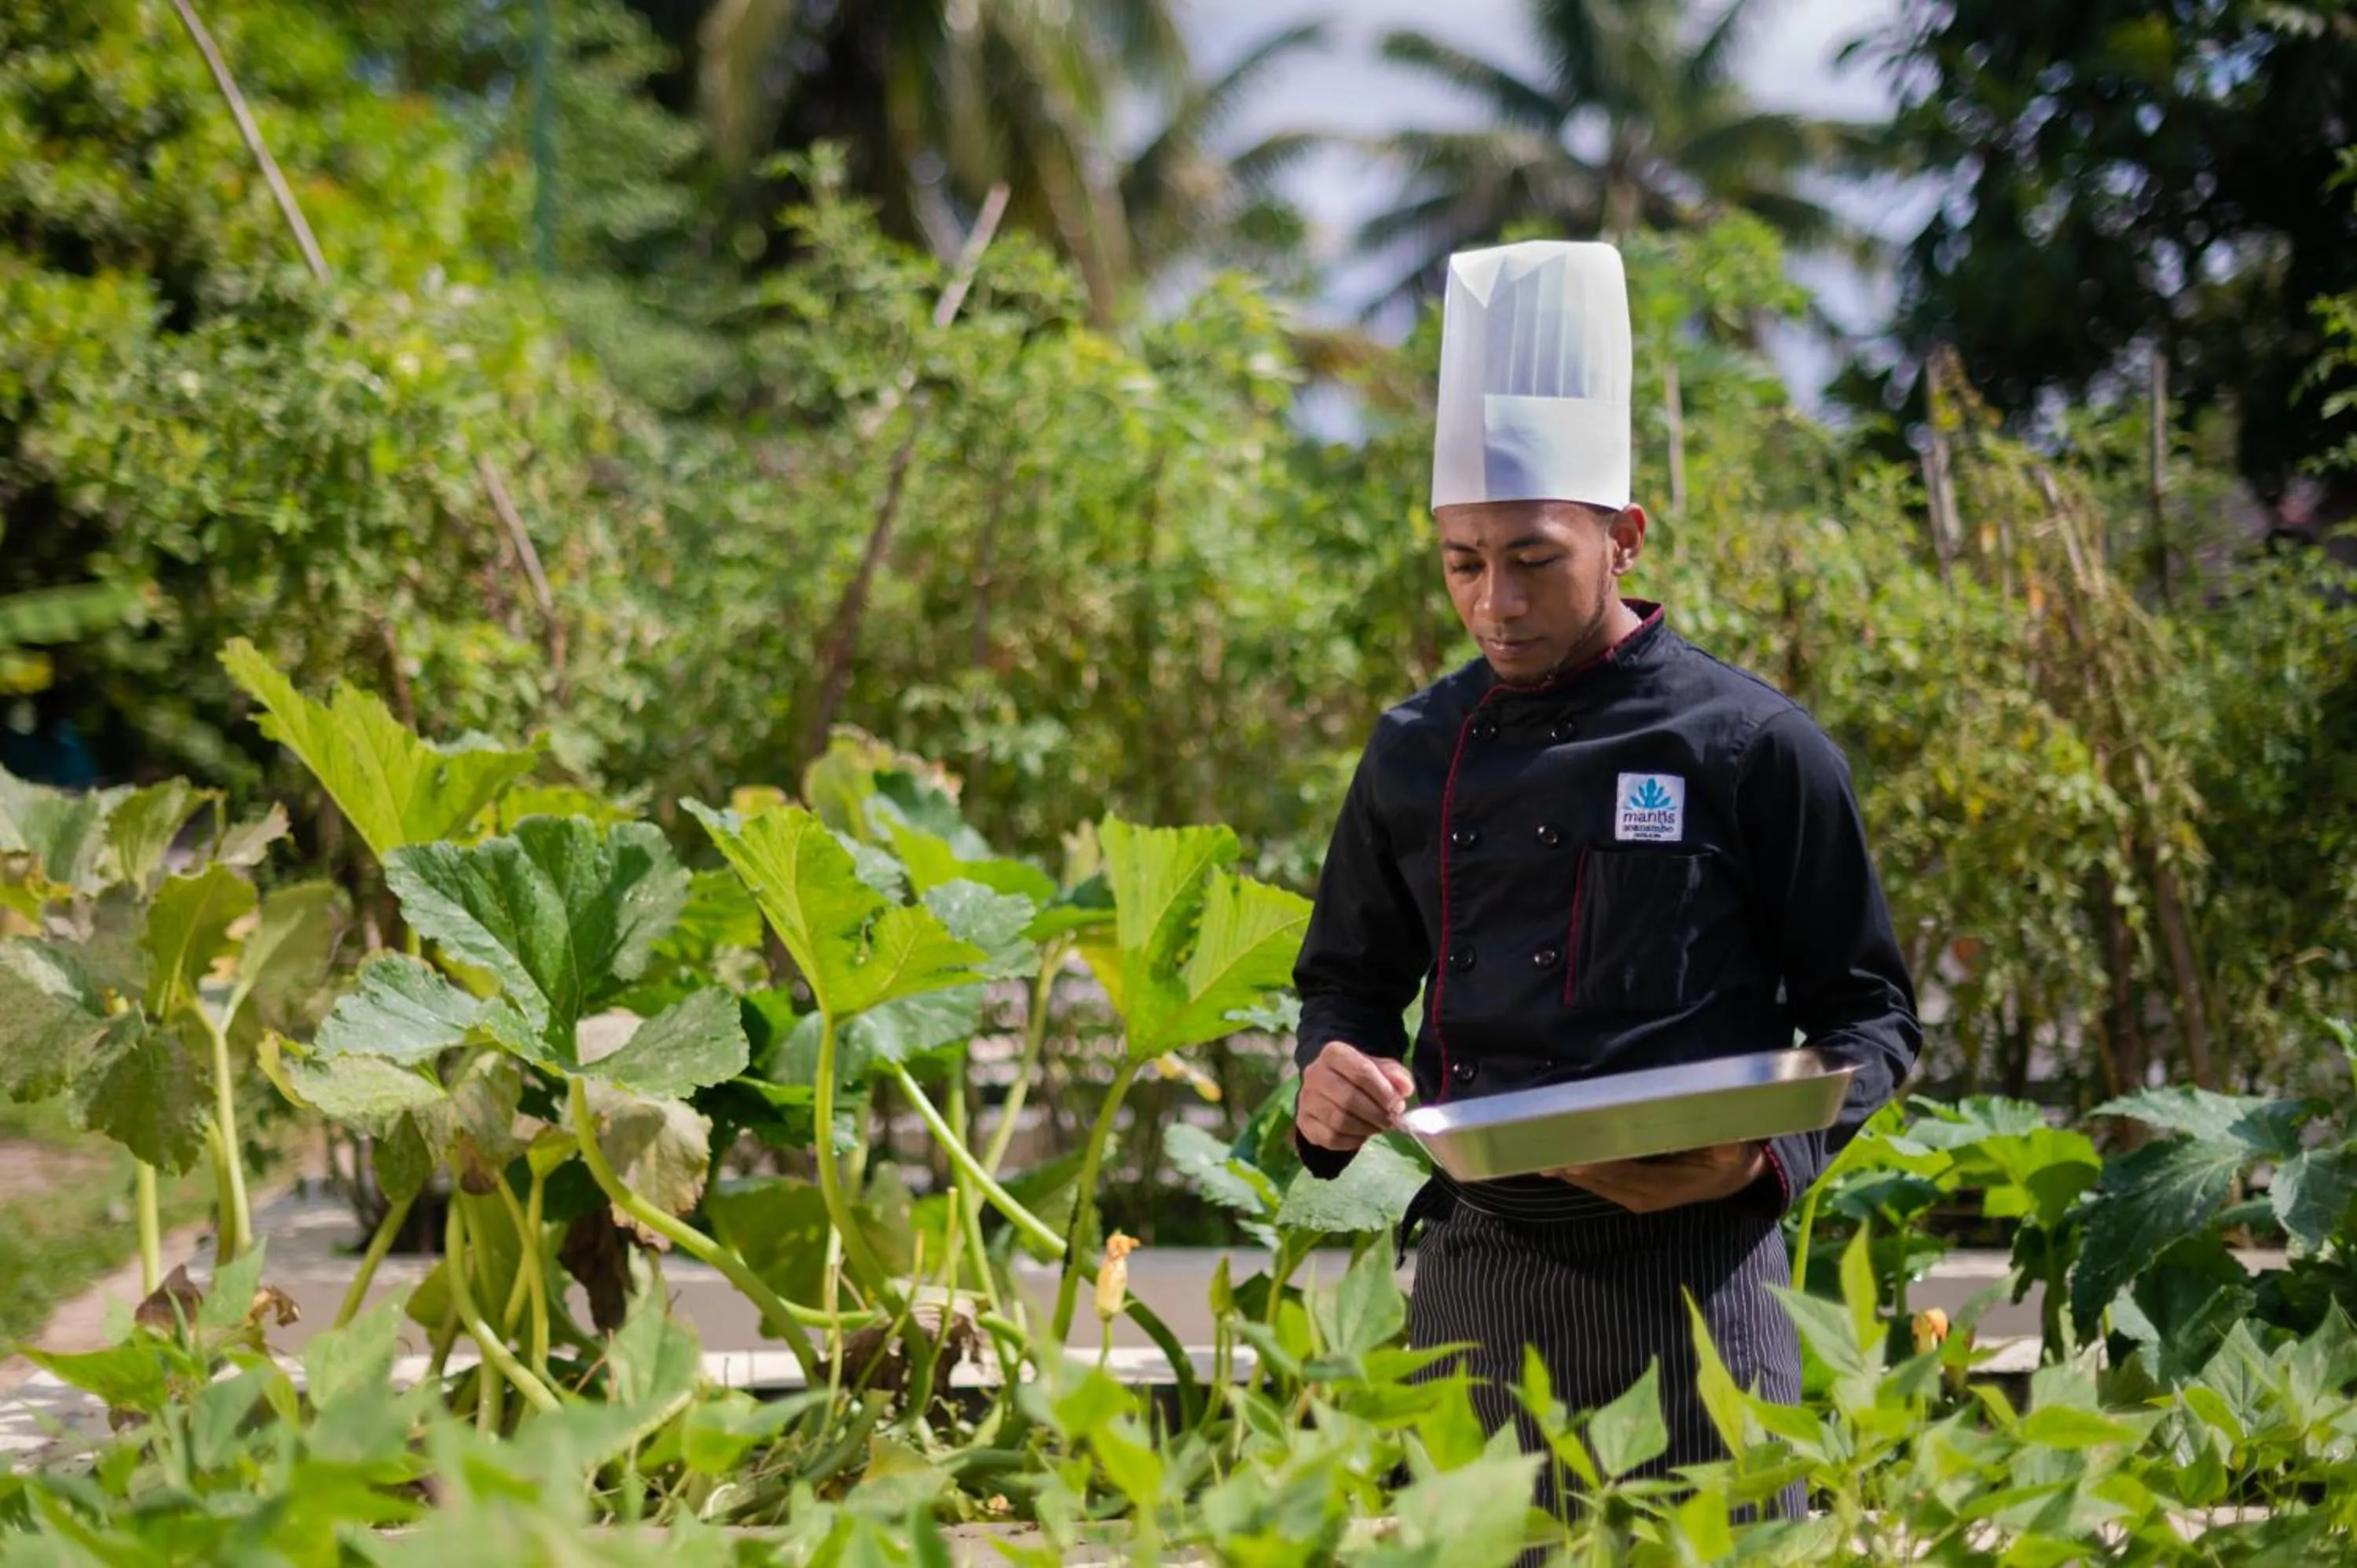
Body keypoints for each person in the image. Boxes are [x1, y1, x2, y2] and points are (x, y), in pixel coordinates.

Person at [1288, 240, 1921, 1533]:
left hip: (1696, 1282)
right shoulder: (1414, 749)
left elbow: (1874, 1017)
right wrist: (1331, 1074)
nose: (1493, 604)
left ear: (1624, 538)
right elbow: (1346, 982)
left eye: (1533, 559)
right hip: (1476, 1277)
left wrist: (1760, 1161)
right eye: (1463, 562)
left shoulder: (1751, 747)